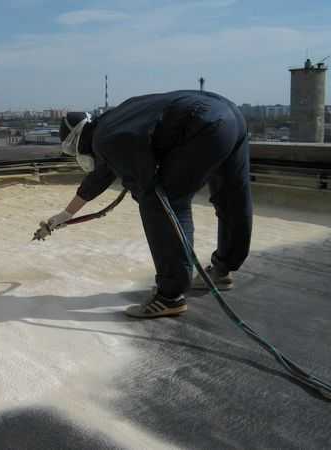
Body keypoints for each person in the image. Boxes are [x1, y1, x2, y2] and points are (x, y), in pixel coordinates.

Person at [43, 90, 253, 318]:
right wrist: (66, 213)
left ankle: (170, 296)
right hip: (231, 117)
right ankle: (223, 269)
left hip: (203, 125)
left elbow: (146, 187)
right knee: (232, 195)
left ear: (77, 138)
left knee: (161, 203)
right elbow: (100, 177)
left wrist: (146, 191)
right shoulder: (112, 124)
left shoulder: (105, 139)